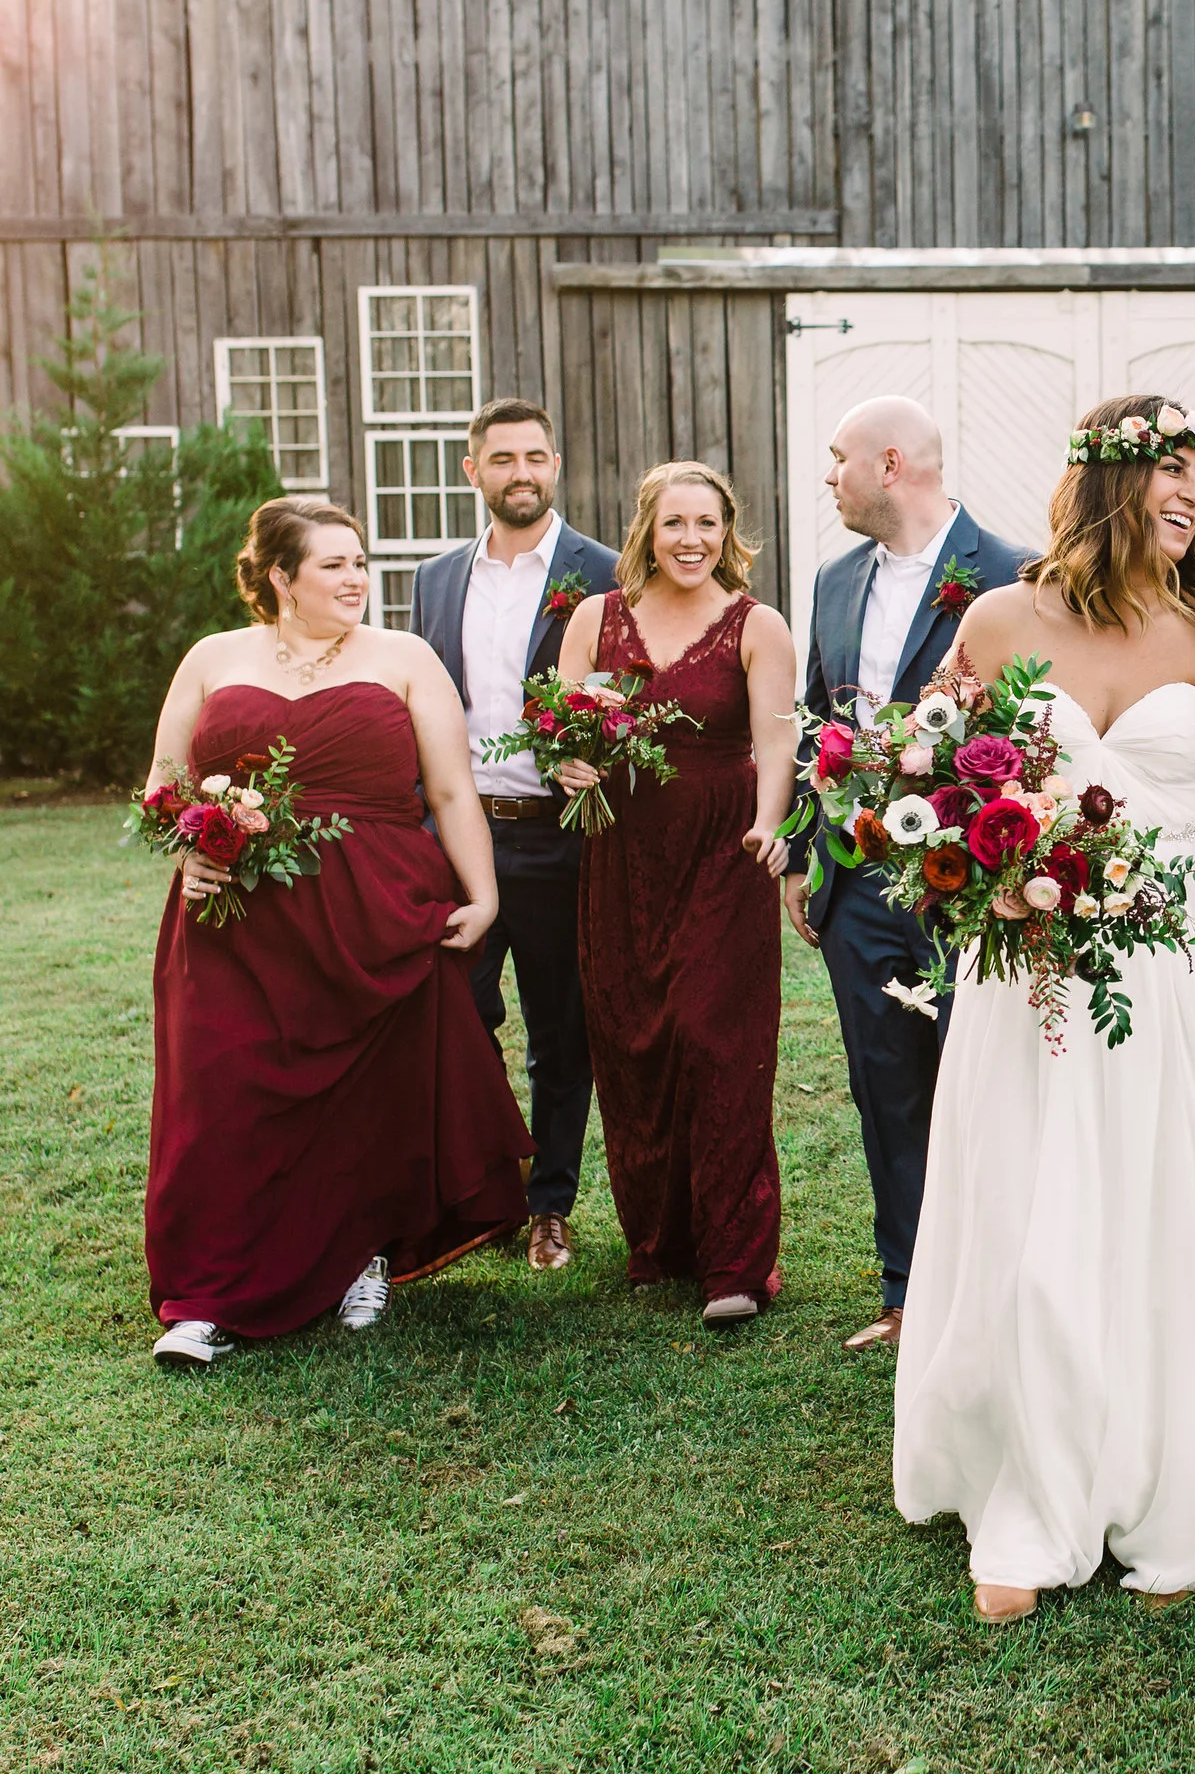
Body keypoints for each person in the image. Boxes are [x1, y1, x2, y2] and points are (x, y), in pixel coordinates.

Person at [892, 393, 1195, 1626]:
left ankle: (1179, 1481)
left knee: (1171, 1215)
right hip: (1028, 965)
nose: (1193, 495)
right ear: (1103, 482)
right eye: (1169, 472)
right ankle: (1030, 1485)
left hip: (1175, 962)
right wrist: (967, 842)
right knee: (1034, 1211)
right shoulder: (995, 618)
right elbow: (931, 761)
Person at [145, 498, 533, 1365]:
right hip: (235, 917)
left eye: (359, 563)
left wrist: (483, 894)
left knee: (369, 1100)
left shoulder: (404, 658)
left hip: (376, 912)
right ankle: (205, 1299)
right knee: (224, 1096)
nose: (357, 578)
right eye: (333, 565)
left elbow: (450, 792)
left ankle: (365, 1256)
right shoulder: (214, 658)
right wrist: (185, 848)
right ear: (280, 577)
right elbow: (165, 782)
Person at [783, 396, 1031, 1353]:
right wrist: (806, 856)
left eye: (837, 459)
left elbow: (1033, 732)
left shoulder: (1009, 574)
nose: (829, 478)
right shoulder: (835, 580)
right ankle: (907, 1290)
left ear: (890, 466)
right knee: (883, 1086)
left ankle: (996, 1291)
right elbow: (816, 725)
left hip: (971, 887)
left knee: (984, 1086)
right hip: (859, 885)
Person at [553, 462, 798, 1325]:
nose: (690, 540)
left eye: (707, 524)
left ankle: (734, 1262)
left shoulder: (755, 624)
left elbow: (777, 744)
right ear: (646, 532)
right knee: (633, 1037)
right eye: (674, 524)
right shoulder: (595, 619)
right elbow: (565, 728)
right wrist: (567, 762)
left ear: (728, 532)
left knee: (713, 1036)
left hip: (723, 850)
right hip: (620, 850)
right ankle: (658, 1240)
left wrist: (773, 823)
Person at [411, 398, 618, 1273]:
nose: (520, 473)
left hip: (561, 836)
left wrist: (609, 756)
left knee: (561, 1029)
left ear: (557, 463)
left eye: (535, 456)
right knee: (453, 1014)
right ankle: (485, 1191)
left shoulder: (603, 571)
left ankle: (550, 1208)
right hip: (458, 838)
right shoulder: (434, 579)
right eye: (502, 459)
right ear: (474, 471)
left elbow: (632, 696)